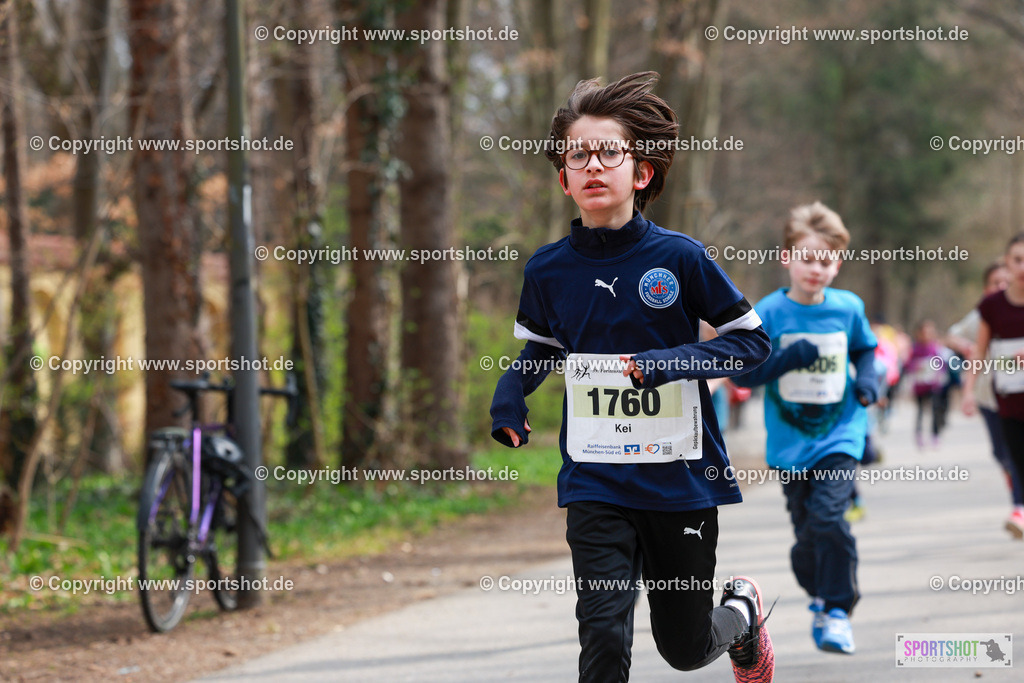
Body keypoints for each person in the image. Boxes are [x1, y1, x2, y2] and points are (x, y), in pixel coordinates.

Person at [489, 72, 775, 683]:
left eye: (609, 152)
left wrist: (666, 362)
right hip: (596, 479)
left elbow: (752, 344)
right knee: (602, 632)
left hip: (680, 480)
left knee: (685, 647)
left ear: (640, 173)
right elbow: (539, 351)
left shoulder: (681, 258)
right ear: (563, 177)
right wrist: (509, 396)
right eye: (577, 155)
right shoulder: (547, 270)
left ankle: (742, 613)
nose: (593, 165)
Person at [732, 201, 878, 656]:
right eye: (807, 258)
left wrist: (869, 380)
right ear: (787, 258)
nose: (816, 268)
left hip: (841, 434)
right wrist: (788, 357)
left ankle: (837, 610)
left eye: (826, 260)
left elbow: (865, 351)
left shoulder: (849, 307)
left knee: (829, 517)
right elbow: (742, 374)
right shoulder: (770, 314)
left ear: (838, 263)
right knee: (805, 539)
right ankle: (819, 596)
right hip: (791, 443)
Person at [947, 262, 1023, 538]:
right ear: (986, 287)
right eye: (995, 283)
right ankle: (1015, 486)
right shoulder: (984, 312)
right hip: (989, 397)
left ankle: (1018, 506)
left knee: (1017, 456)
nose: (1002, 287)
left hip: (1016, 397)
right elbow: (953, 335)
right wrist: (967, 348)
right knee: (1002, 454)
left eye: (1006, 281)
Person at [905, 320, 947, 449]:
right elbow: (908, 364)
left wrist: (939, 372)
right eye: (924, 332)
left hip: (933, 385)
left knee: (935, 409)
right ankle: (919, 435)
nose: (926, 335)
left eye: (929, 332)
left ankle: (935, 435)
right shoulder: (915, 348)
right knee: (920, 411)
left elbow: (942, 363)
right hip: (920, 386)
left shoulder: (935, 348)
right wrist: (915, 366)